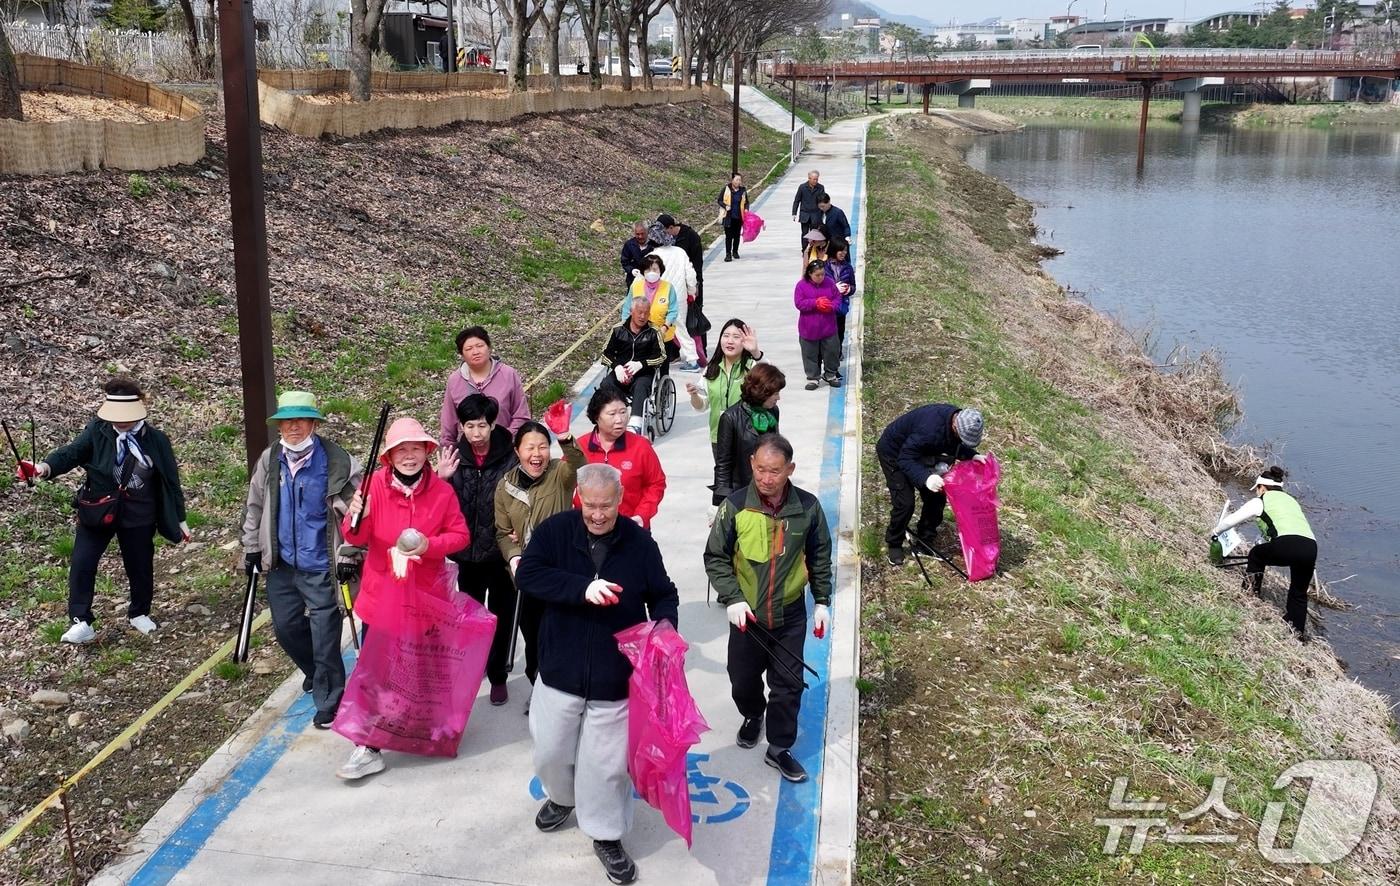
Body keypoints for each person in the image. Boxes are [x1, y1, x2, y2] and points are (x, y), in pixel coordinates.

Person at [518, 463, 679, 885]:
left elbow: (664, 594)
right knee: (550, 751)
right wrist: (579, 588)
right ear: (579, 500)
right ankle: (562, 797)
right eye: (590, 505)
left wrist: (663, 630)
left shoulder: (640, 543)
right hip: (559, 671)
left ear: (619, 499)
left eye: (606, 506)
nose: (598, 514)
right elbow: (529, 575)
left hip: (615, 679)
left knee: (606, 767)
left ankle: (606, 834)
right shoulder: (555, 532)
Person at [338, 417, 470, 780]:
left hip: (427, 597)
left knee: (426, 666)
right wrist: (353, 515)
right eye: (401, 449)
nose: (409, 456)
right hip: (382, 597)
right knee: (375, 670)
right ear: (389, 456)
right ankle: (368, 745)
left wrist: (431, 546)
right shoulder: (373, 486)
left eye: (416, 448)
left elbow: (460, 536)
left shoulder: (442, 493)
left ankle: (432, 726)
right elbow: (357, 535)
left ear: (427, 452)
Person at [20, 377, 189, 644]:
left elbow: (171, 482)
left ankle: (139, 612)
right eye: (116, 417)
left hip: (139, 513)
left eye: (127, 417)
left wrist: (179, 518)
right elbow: (71, 453)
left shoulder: (156, 441)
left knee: (140, 565)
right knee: (82, 563)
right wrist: (43, 468)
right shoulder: (97, 431)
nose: (121, 422)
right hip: (98, 509)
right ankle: (80, 620)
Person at [704, 434, 831, 785]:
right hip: (748, 617)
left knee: (789, 684)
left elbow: (820, 557)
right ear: (751, 465)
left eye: (775, 471)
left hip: (790, 615)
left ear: (790, 469)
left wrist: (822, 601)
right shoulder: (734, 506)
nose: (766, 478)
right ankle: (752, 713)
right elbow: (715, 557)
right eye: (760, 469)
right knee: (742, 679)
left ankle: (779, 747)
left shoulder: (807, 508)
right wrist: (733, 597)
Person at [241, 391, 360, 729]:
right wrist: (252, 546)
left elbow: (355, 516)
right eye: (286, 421)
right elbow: (255, 507)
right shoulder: (270, 459)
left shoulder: (337, 462)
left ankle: (328, 696)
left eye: (300, 420)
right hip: (281, 564)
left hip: (322, 565)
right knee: (286, 629)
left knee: (325, 636)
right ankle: (316, 672)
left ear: (313, 423)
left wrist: (349, 553)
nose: (292, 427)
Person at [438, 394, 519, 705]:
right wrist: (442, 479)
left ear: (493, 423)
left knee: (501, 616)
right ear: (460, 426)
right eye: (469, 426)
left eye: (481, 426)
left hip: (500, 554)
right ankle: (473, 670)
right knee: (469, 618)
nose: (476, 433)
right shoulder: (454, 457)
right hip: (466, 554)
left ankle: (498, 675)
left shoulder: (510, 456)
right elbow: (438, 504)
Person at [494, 419, 586, 689]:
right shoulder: (505, 486)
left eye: (543, 447)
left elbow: (579, 466)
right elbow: (502, 531)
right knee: (533, 635)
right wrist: (514, 557)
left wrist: (565, 437)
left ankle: (567, 686)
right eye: (530, 448)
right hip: (527, 577)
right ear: (517, 451)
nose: (537, 454)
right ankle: (540, 686)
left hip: (561, 571)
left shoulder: (560, 473)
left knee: (563, 632)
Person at [1211, 466, 1317, 640]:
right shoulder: (1292, 500)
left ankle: (1250, 596)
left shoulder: (1261, 500)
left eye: (1257, 490)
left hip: (1288, 543)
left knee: (1256, 555)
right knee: (1299, 591)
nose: (1256, 493)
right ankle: (1296, 632)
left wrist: (1215, 533)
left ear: (1262, 487)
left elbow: (1231, 521)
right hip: (1310, 547)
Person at [876, 405, 986, 567]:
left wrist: (972, 455)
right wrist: (926, 478)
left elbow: (953, 444)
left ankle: (925, 540)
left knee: (936, 497)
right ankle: (894, 542)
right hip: (894, 453)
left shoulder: (955, 421)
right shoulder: (929, 429)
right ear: (955, 426)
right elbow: (905, 459)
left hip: (919, 451)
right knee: (905, 503)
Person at [579, 387, 666, 529]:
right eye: (612, 414)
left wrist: (641, 516)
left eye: (623, 412)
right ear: (596, 417)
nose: (619, 419)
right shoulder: (580, 447)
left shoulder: (641, 446)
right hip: (588, 528)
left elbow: (656, 483)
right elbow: (565, 484)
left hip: (631, 526)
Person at [439, 325, 531, 448]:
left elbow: (521, 415)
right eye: (469, 348)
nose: (475, 352)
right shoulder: (455, 380)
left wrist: (505, 438)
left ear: (489, 348)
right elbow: (448, 422)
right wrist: (449, 451)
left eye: (480, 346)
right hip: (469, 451)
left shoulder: (508, 374)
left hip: (505, 448)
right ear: (462, 354)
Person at [713, 363, 785, 504]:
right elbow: (723, 464)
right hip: (741, 491)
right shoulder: (730, 418)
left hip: (769, 486)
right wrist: (719, 502)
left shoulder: (773, 411)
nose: (779, 398)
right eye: (776, 393)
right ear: (764, 392)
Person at [599, 295, 668, 432]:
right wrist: (617, 367)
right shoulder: (618, 330)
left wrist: (642, 364)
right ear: (631, 312)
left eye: (646, 313)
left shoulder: (654, 332)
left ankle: (635, 422)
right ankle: (612, 417)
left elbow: (662, 356)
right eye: (639, 312)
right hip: (621, 371)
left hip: (644, 373)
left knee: (641, 385)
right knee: (607, 383)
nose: (643, 316)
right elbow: (605, 353)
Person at [646, 221, 700, 368]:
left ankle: (654, 357)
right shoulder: (680, 252)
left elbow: (644, 279)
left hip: (660, 297)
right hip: (680, 295)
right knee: (681, 327)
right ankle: (692, 359)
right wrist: (691, 291)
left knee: (655, 326)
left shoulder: (652, 256)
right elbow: (691, 274)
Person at [794, 260, 842, 391]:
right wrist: (815, 303)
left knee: (832, 351)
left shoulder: (829, 283)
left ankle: (830, 374)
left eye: (822, 274)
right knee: (810, 353)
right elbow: (799, 303)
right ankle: (813, 377)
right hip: (809, 328)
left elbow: (837, 298)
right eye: (817, 275)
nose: (821, 277)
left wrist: (831, 306)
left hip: (828, 326)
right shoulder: (801, 286)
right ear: (810, 274)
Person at [620, 254, 680, 361]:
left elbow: (673, 311)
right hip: (639, 337)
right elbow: (627, 308)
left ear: (660, 270)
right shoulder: (636, 286)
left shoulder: (668, 287)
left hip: (663, 336)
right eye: (647, 270)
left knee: (662, 369)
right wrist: (626, 327)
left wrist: (664, 328)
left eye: (654, 269)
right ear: (643, 271)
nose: (651, 272)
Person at [825, 239, 856, 369]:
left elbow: (853, 286)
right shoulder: (824, 266)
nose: (843, 253)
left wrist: (849, 289)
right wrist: (833, 288)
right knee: (827, 331)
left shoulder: (848, 267)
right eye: (840, 250)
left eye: (845, 250)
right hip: (827, 305)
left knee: (840, 330)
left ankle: (837, 351)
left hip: (841, 305)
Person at [791, 170, 827, 250]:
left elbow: (823, 200)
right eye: (814, 179)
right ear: (809, 178)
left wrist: (824, 212)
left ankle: (813, 249)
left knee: (815, 233)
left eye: (817, 179)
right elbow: (797, 200)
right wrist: (794, 213)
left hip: (816, 215)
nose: (815, 181)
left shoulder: (821, 187)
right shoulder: (802, 187)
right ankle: (804, 250)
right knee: (804, 233)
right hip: (805, 214)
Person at [716, 172, 748, 262]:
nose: (739, 182)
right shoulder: (726, 189)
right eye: (737, 180)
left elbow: (746, 202)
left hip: (738, 216)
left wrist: (746, 209)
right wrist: (725, 206)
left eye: (740, 180)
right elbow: (719, 200)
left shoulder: (743, 190)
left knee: (737, 235)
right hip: (728, 217)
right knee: (729, 236)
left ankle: (735, 251)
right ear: (732, 180)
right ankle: (728, 254)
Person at [619, 222, 652, 292]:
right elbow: (624, 261)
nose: (640, 236)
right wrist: (631, 270)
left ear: (647, 232)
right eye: (637, 234)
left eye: (642, 234)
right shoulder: (629, 245)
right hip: (633, 280)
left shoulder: (653, 245)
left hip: (651, 281)